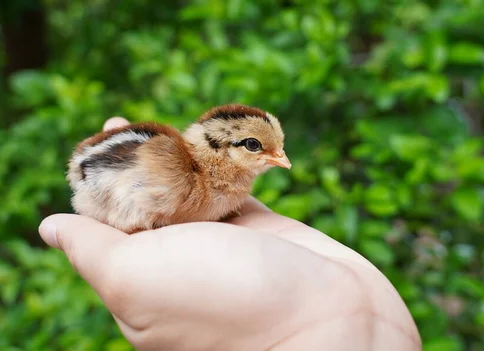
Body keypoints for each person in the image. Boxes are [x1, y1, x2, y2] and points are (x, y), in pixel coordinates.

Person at [38, 117, 422, 351]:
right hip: (109, 186)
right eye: (257, 147)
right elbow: (101, 172)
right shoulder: (182, 170)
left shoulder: (222, 191)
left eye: (277, 149)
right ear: (219, 149)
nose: (277, 157)